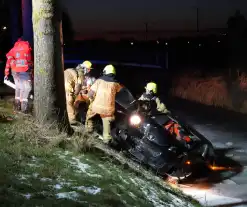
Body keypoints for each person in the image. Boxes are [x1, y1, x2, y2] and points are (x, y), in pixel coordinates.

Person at [85, 64, 122, 144]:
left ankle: (89, 130)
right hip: (108, 109)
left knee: (90, 116)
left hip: (96, 107)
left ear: (104, 72)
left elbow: (90, 94)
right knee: (107, 123)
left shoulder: (99, 81)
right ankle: (107, 139)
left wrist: (88, 98)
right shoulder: (116, 84)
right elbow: (120, 94)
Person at [4, 37, 33, 113]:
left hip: (14, 71)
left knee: (18, 87)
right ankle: (24, 109)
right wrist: (31, 74)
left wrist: (6, 73)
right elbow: (30, 62)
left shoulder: (14, 49)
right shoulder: (27, 47)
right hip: (24, 70)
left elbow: (8, 61)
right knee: (27, 88)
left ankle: (17, 107)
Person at [64, 60, 92, 124]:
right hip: (67, 87)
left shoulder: (73, 70)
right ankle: (72, 121)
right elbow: (78, 86)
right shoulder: (81, 73)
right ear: (85, 68)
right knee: (70, 101)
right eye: (88, 69)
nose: (89, 71)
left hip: (62, 85)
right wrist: (75, 95)